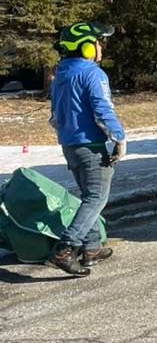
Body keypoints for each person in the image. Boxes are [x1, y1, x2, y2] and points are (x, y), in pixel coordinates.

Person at [48, 22, 126, 277]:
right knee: (96, 197)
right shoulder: (92, 73)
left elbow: (55, 114)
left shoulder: (61, 73)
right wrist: (119, 138)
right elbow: (102, 110)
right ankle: (66, 249)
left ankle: (91, 248)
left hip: (69, 144)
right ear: (86, 47)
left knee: (88, 196)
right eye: (98, 42)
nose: (101, 46)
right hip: (90, 145)